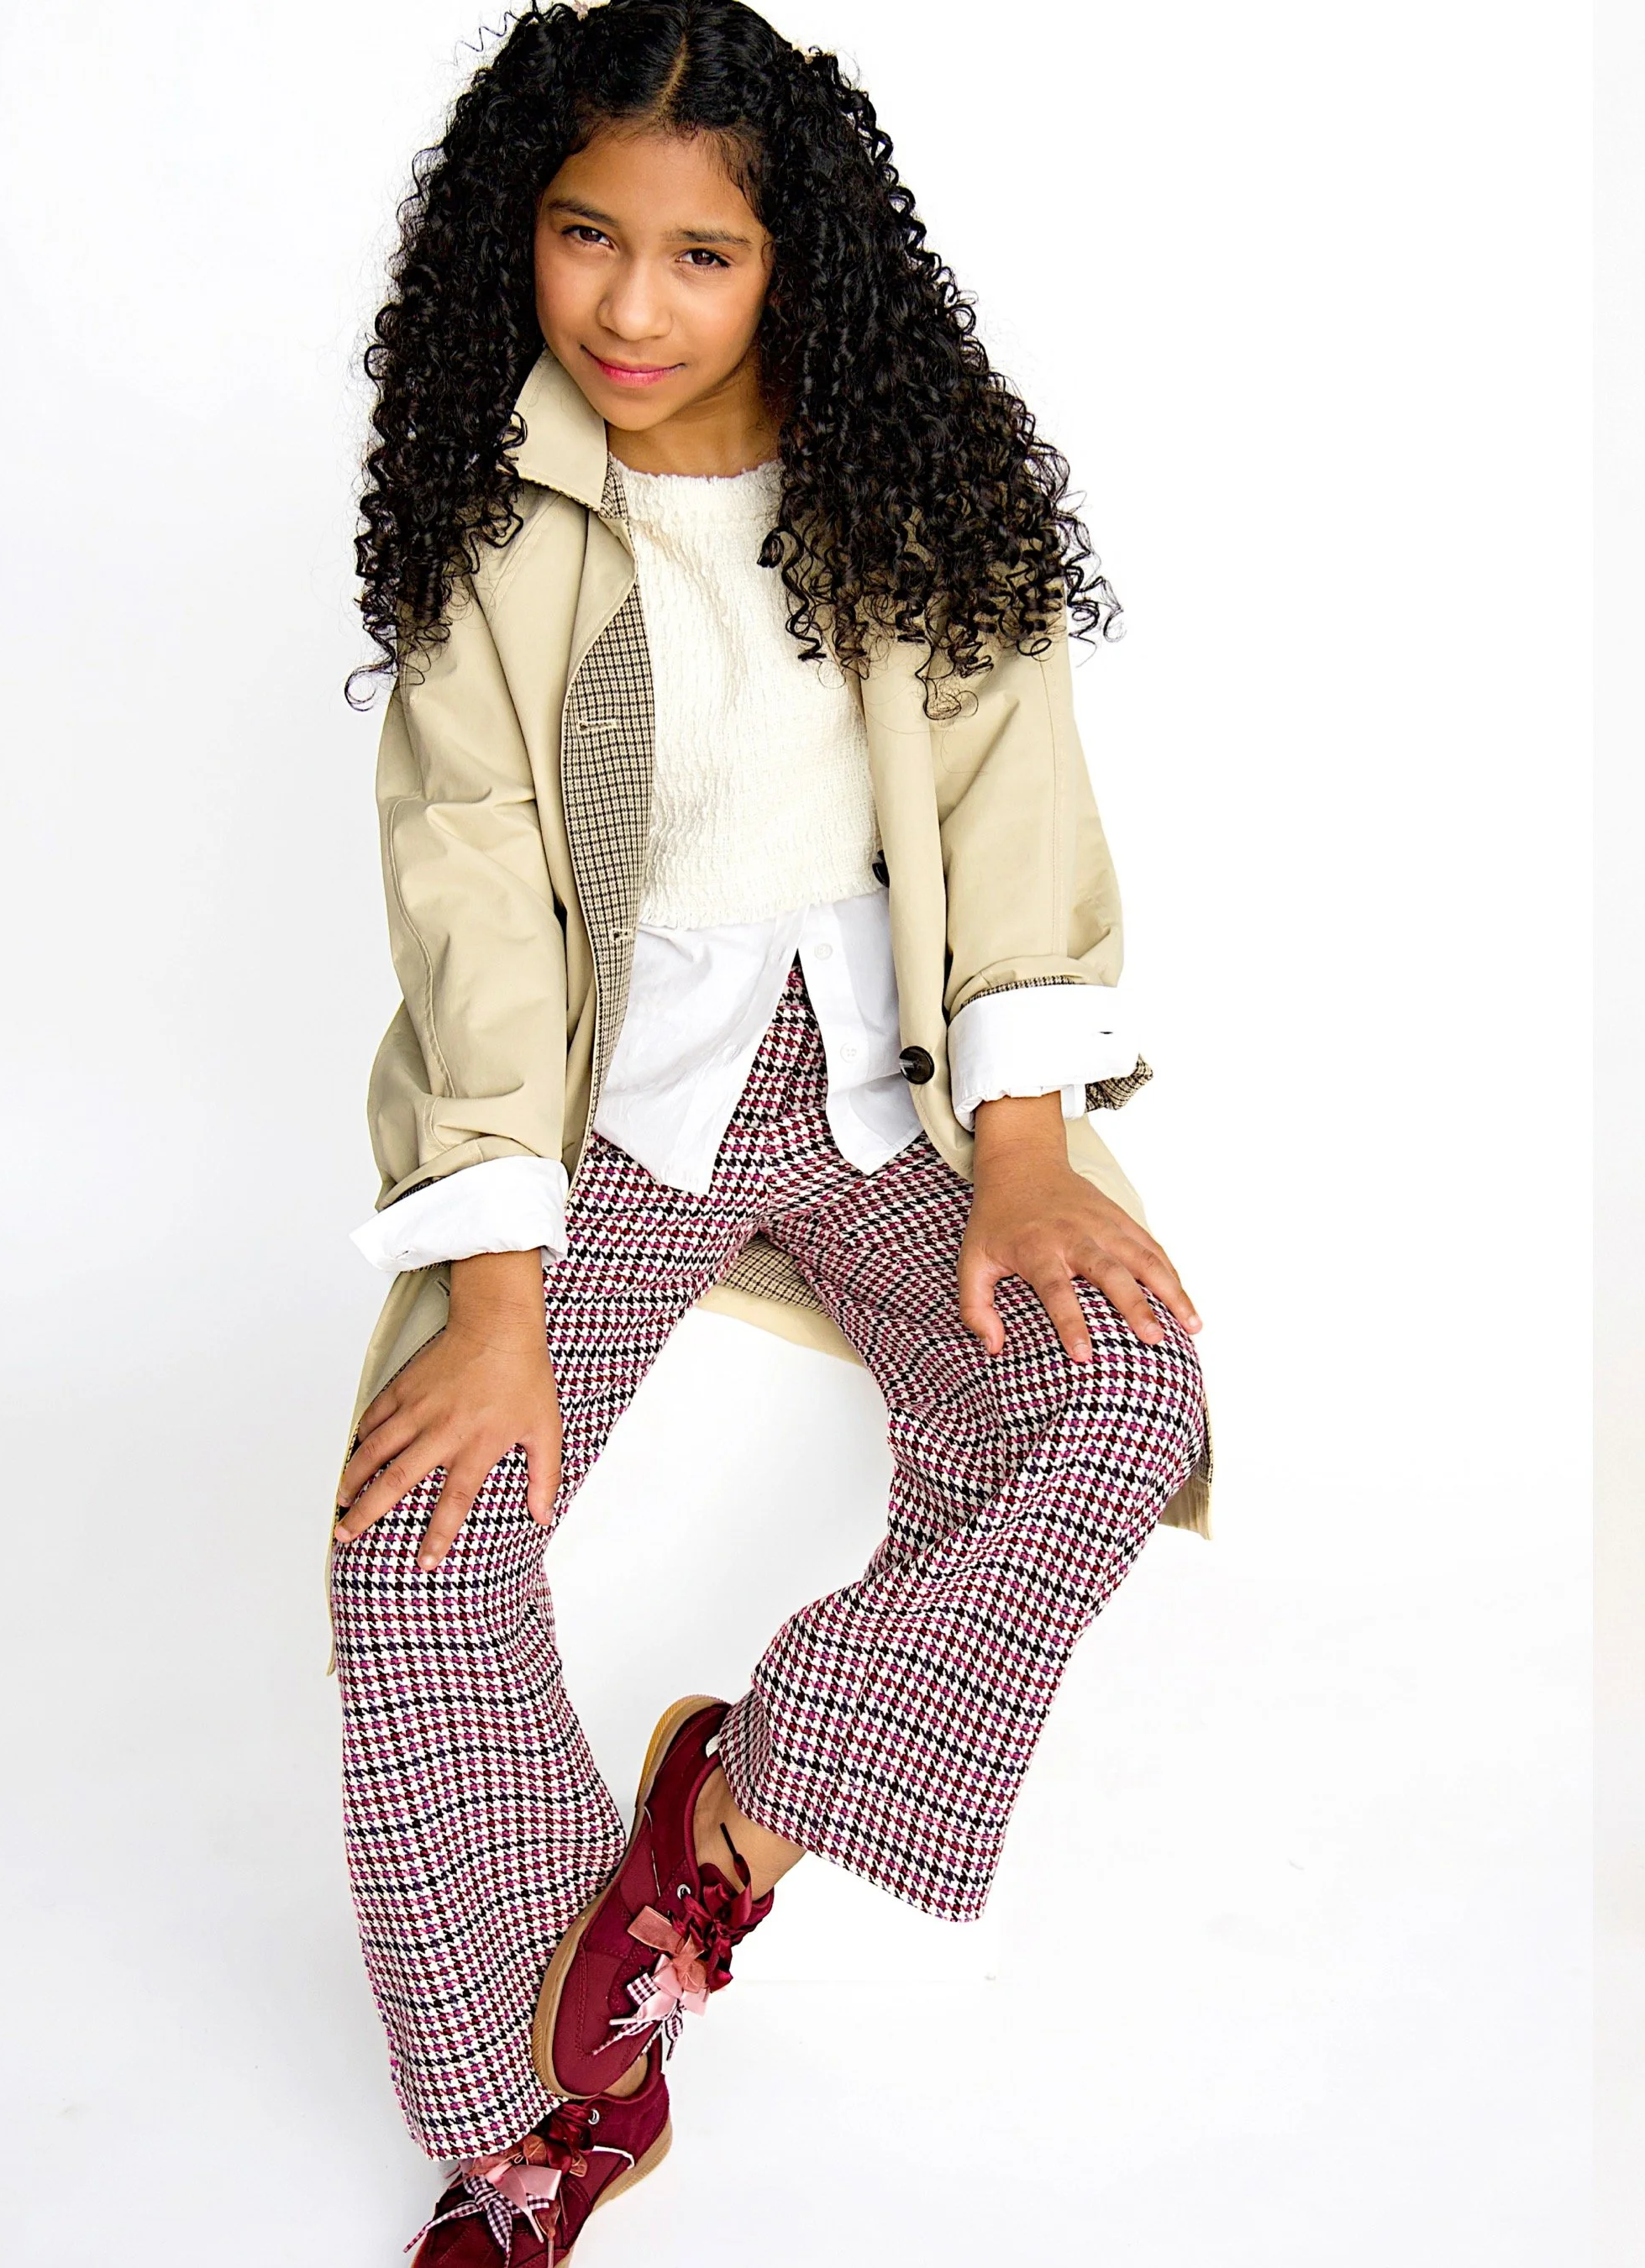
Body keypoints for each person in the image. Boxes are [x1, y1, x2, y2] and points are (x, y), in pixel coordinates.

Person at [328, 3, 1213, 2258]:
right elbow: (473, 906)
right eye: (582, 236)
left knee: (1115, 1395)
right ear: (510, 239)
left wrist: (1022, 1141)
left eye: (701, 254)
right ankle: (538, 2098)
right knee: (411, 1553)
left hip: (894, 1092)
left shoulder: (920, 470)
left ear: (793, 260)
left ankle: (740, 1801)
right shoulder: (490, 512)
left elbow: (1014, 814)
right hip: (604, 1116)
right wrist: (500, 1289)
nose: (630, 306)